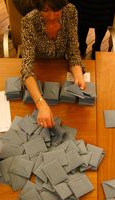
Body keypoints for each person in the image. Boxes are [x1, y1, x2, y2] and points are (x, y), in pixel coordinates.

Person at [21, 0, 85, 128]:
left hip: (60, 68)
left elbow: (73, 51)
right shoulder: (29, 21)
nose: (51, 16)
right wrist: (40, 103)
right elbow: (26, 69)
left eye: (56, 10)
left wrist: (78, 75)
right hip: (39, 68)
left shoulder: (70, 11)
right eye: (45, 10)